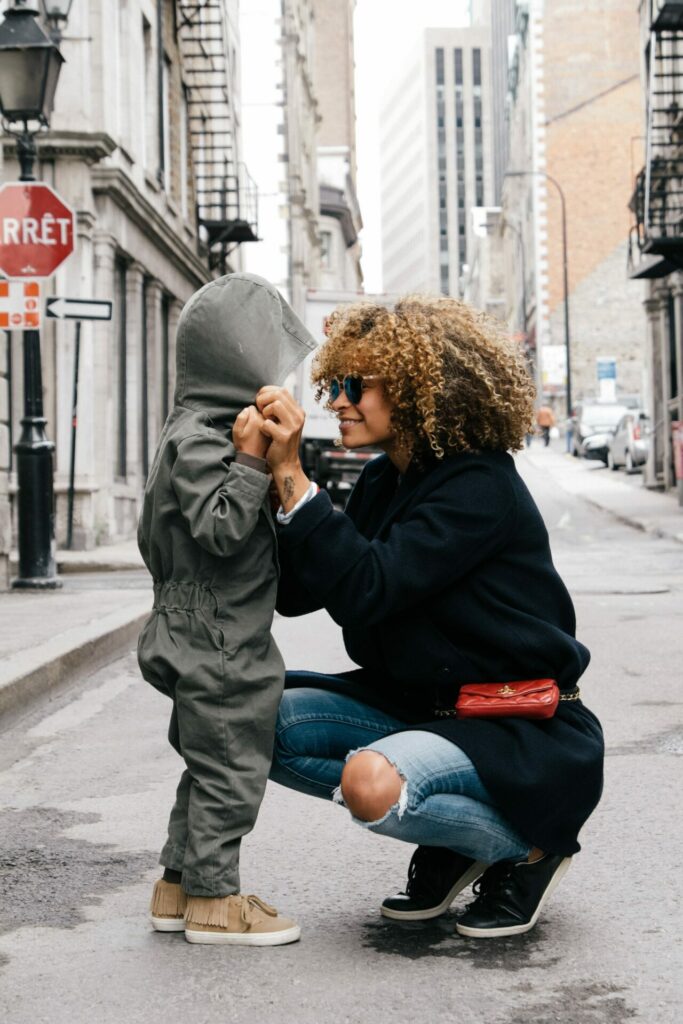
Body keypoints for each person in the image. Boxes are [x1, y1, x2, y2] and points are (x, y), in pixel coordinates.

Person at [257, 296, 604, 939]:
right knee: (253, 724)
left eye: (353, 386)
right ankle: (457, 839)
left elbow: (368, 588)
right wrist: (267, 477)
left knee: (371, 785)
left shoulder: (479, 485)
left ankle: (524, 847)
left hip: (514, 725)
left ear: (417, 388)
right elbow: (300, 592)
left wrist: (296, 479)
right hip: (418, 706)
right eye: (332, 384)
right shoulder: (383, 482)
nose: (336, 402)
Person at [137, 272, 315, 945]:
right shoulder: (209, 437)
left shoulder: (190, 427)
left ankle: (178, 885)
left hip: (195, 625)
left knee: (206, 763)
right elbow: (218, 529)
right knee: (233, 769)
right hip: (218, 635)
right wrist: (249, 461)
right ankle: (216, 901)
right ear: (237, 358)